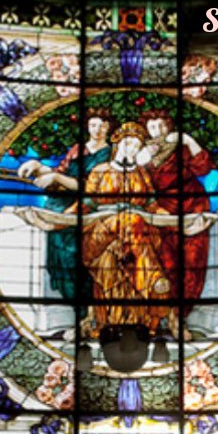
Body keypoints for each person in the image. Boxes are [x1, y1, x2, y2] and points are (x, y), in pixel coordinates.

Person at [80, 121, 172, 336]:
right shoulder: (100, 171)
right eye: (128, 143)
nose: (131, 149)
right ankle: (154, 279)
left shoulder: (141, 173)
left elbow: (152, 206)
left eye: (136, 146)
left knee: (115, 259)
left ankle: (135, 321)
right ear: (117, 144)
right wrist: (57, 220)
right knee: (131, 220)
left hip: (136, 236)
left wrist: (172, 218)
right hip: (101, 232)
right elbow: (85, 205)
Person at [18, 108, 116, 304]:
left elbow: (92, 187)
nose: (97, 130)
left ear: (108, 128)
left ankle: (85, 306)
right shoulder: (79, 148)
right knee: (59, 258)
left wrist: (56, 177)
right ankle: (72, 304)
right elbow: (61, 171)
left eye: (102, 126)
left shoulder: (111, 154)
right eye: (93, 125)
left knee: (75, 257)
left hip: (87, 208)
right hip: (59, 204)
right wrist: (38, 166)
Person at [138, 109, 215, 333]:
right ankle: (161, 316)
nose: (158, 130)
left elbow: (203, 168)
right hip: (161, 214)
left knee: (192, 263)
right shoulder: (142, 154)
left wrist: (188, 140)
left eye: (162, 125)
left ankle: (180, 318)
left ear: (169, 126)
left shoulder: (181, 148)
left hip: (191, 207)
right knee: (164, 265)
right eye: (153, 126)